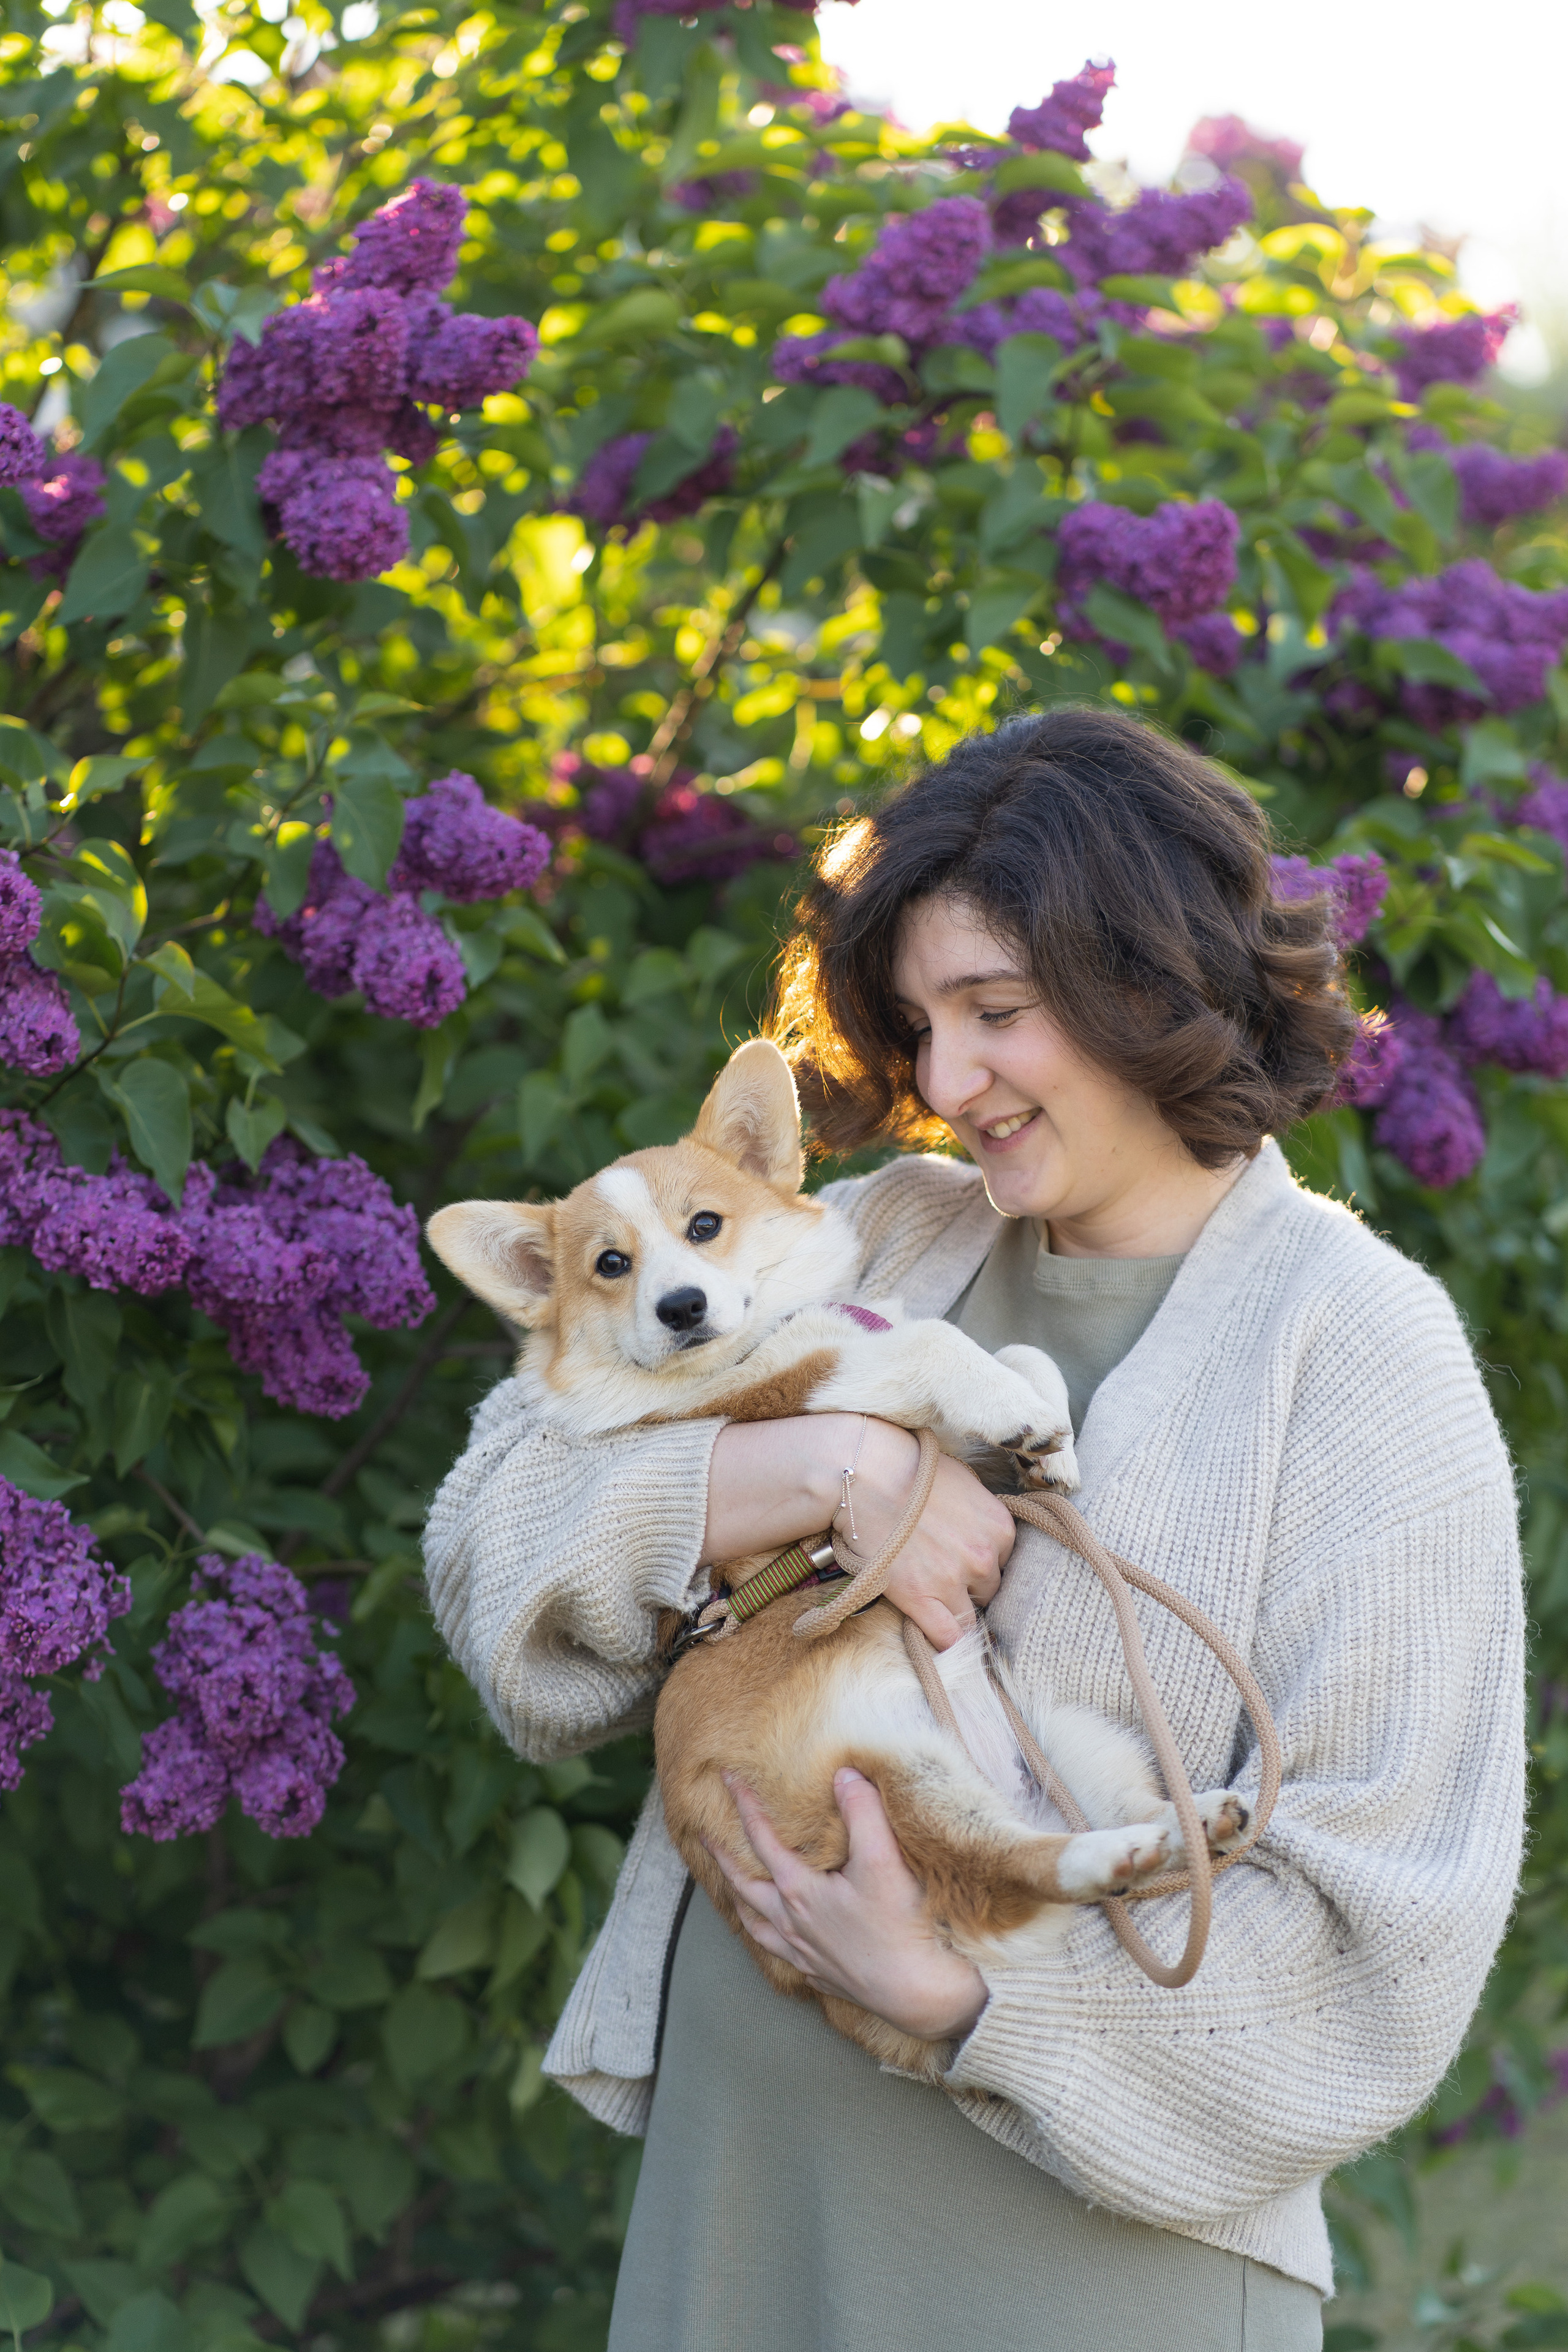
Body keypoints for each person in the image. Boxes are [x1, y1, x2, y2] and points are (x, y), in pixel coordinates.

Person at [423, 706, 1525, 2352]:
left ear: (1149, 975)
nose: (944, 1084)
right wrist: (826, 1475)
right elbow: (491, 1542)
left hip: (1077, 2270)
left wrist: (967, 1999)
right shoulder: (881, 1239)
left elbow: (1386, 1932)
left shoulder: (1358, 1349)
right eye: (919, 1024)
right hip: (745, 2201)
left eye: (995, 1014)